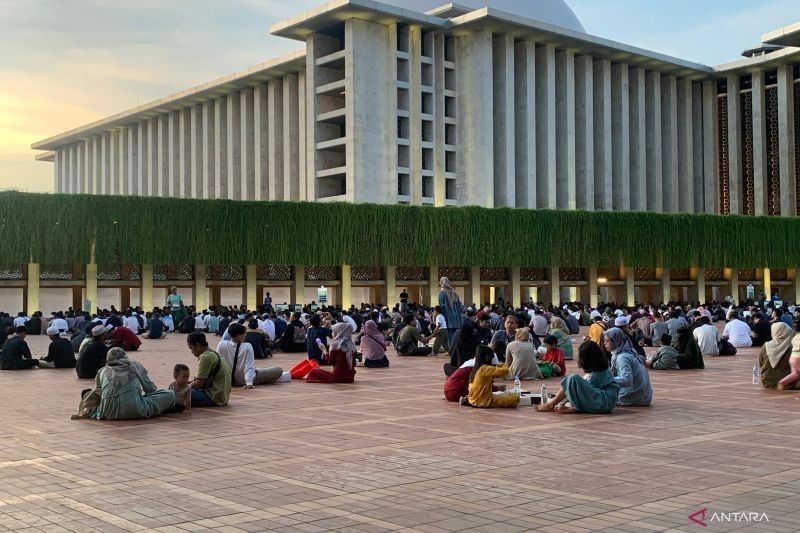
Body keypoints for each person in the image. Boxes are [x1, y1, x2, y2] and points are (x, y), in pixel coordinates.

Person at [537, 341, 619, 414]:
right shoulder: (600, 370)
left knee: (573, 378)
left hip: (604, 402)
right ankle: (568, 407)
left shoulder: (599, 373)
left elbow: (585, 394)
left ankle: (551, 405)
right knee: (567, 396)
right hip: (604, 402)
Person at [93, 348, 176, 420]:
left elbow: (99, 393)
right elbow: (151, 389)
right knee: (170, 394)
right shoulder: (134, 365)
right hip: (136, 410)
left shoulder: (102, 371)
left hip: (107, 413)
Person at [217, 324, 283, 388]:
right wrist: (249, 382)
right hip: (243, 380)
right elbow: (249, 366)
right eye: (244, 333)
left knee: (257, 370)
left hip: (227, 380)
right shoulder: (247, 346)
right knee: (278, 370)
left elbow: (218, 364)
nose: (245, 335)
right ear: (239, 335)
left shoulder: (221, 344)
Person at [603, 327, 652, 406]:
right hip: (644, 396)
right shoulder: (629, 351)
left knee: (600, 396)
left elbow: (627, 380)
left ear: (616, 341)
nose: (605, 343)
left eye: (608, 341)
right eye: (605, 341)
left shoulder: (622, 357)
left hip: (633, 397)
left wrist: (606, 380)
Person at [187, 332, 231, 407]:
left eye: (191, 348)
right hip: (221, 397)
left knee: (176, 393)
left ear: (197, 345)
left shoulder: (205, 357)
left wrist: (183, 388)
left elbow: (198, 384)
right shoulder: (213, 354)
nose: (191, 352)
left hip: (213, 397)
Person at [759, 322, 800, 390]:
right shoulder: (792, 346)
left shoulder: (766, 346)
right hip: (789, 384)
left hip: (767, 382)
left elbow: (761, 363)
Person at [438, 277, 464, 350]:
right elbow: (459, 304)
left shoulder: (442, 292)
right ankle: (457, 347)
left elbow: (442, 305)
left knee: (449, 333)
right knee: (456, 333)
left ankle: (451, 348)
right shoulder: (454, 292)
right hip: (456, 316)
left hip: (448, 315)